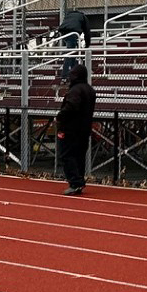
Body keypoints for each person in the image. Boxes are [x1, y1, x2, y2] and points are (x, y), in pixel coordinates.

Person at [56, 63, 96, 195]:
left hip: (71, 129)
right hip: (84, 129)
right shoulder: (90, 90)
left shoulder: (75, 90)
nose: (70, 77)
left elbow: (72, 107)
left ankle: (75, 182)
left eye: (72, 74)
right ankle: (78, 180)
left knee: (66, 155)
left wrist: (60, 116)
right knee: (79, 156)